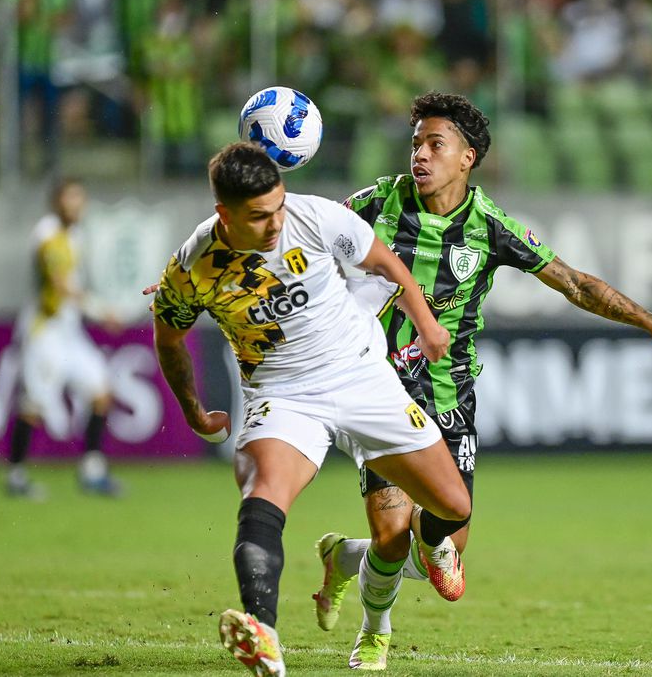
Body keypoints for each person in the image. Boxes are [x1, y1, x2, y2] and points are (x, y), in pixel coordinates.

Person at [309, 92, 652, 669]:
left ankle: (346, 558)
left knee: (442, 546)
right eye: (416, 144)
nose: (420, 156)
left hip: (451, 395)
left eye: (435, 144)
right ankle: (375, 634)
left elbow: (574, 283)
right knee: (395, 532)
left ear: (467, 157)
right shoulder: (375, 203)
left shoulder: (490, 227)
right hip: (379, 391)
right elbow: (303, 240)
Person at [151, 141, 474, 675]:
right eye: (259, 216)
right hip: (283, 396)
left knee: (454, 507)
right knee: (263, 496)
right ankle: (264, 636)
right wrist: (192, 410)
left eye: (278, 206)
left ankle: (349, 556)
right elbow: (168, 338)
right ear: (223, 214)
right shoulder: (193, 266)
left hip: (363, 377)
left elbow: (388, 265)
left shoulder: (314, 216)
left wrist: (427, 324)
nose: (276, 223)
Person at [5, 179, 123, 500]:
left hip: (70, 331)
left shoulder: (74, 235)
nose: (77, 206)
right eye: (71, 199)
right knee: (34, 406)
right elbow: (59, 284)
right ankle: (16, 476)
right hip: (45, 331)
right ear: (57, 202)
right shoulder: (48, 235)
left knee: (101, 392)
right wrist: (100, 311)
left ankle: (92, 472)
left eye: (80, 199)